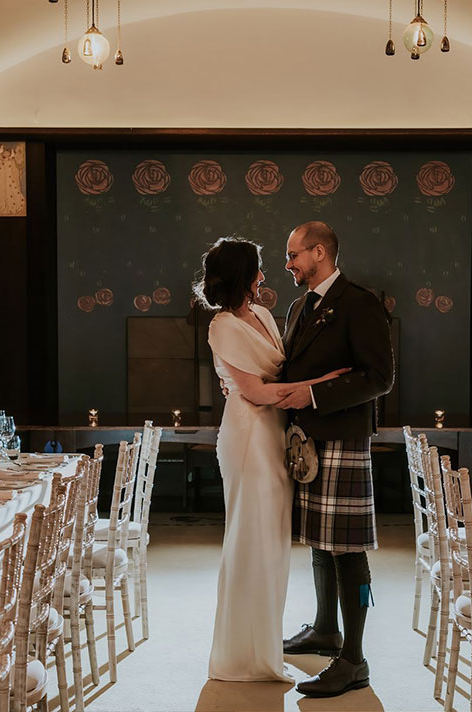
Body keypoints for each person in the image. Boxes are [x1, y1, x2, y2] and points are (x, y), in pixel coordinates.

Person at [193, 236, 349, 683]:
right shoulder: (222, 326)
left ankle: (263, 643)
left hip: (274, 433)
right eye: (259, 268)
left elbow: (281, 374)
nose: (265, 275)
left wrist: (316, 381)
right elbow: (258, 392)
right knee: (250, 540)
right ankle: (240, 657)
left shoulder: (261, 314)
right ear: (243, 275)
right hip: (246, 436)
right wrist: (323, 384)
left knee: (273, 543)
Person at [277, 221, 394, 698]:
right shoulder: (300, 306)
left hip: (344, 439)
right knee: (319, 542)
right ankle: (326, 628)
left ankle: (355, 659)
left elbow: (380, 377)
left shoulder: (360, 302)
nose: (289, 265)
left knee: (348, 550)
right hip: (309, 442)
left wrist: (315, 394)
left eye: (294, 256)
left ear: (319, 251)